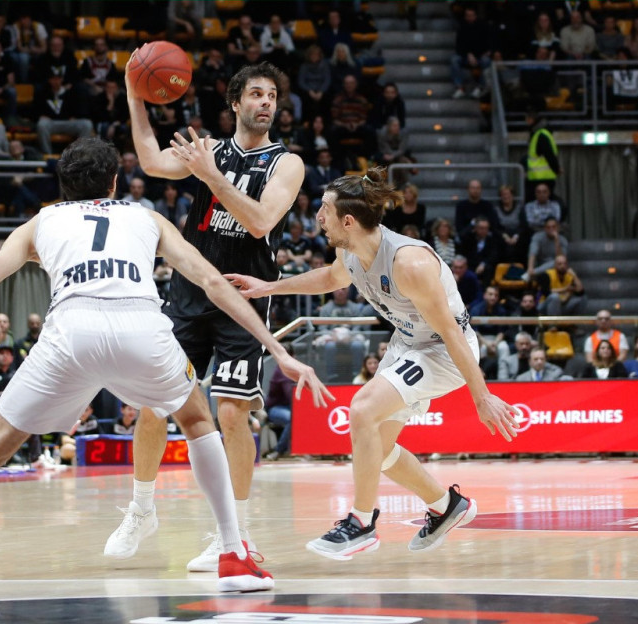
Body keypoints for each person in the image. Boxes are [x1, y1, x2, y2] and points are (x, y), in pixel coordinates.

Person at [0, 137, 329, 605]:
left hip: (68, 333)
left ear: (62, 187)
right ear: (115, 182)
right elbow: (213, 283)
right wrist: (275, 348)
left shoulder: (42, 222)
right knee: (199, 419)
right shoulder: (148, 218)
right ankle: (233, 556)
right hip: (139, 326)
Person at [226, 167, 520, 560]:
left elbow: (451, 333)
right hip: (407, 344)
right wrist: (269, 287)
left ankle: (361, 523)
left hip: (443, 351)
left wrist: (481, 396)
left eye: (324, 210)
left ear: (347, 220)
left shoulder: (409, 263)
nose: (318, 218)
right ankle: (445, 505)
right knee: (376, 450)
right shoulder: (349, 252)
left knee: (362, 409)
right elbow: (330, 277)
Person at [102, 61, 306, 570]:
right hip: (190, 295)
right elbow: (148, 161)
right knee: (154, 405)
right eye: (256, 94)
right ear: (235, 103)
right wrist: (134, 95)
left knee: (232, 413)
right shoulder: (208, 149)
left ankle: (231, 533)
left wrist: (208, 173)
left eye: (273, 96)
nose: (266, 103)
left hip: (242, 298)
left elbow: (259, 223)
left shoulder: (287, 164)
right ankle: (141, 509)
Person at [451, 7, 492, 99]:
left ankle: (480, 87)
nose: (469, 18)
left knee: (486, 61)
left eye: (471, 16)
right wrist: (468, 54)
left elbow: (486, 44)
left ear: (475, 16)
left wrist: (481, 54)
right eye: (467, 16)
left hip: (480, 56)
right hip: (466, 56)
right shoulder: (462, 27)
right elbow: (459, 46)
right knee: (454, 59)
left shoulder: (483, 26)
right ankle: (460, 87)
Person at [523, 109, 560, 200]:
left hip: (540, 177)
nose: (526, 122)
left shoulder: (540, 135)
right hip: (540, 176)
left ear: (531, 119)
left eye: (526, 119)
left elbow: (549, 155)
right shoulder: (540, 134)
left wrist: (556, 169)